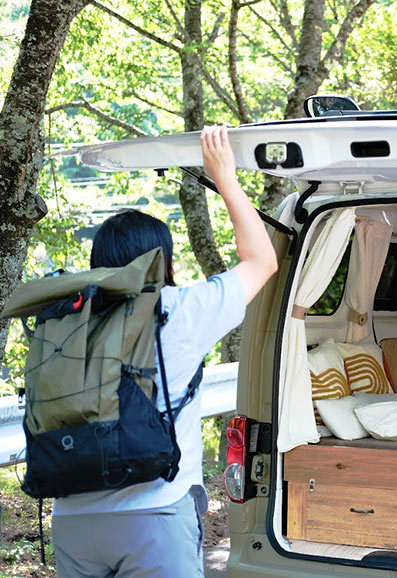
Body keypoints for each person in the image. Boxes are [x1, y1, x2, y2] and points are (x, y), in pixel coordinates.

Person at [51, 126, 278, 577]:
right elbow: (262, 261)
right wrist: (224, 177)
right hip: (153, 515)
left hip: (71, 519)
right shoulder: (178, 310)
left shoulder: (64, 318)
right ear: (164, 262)